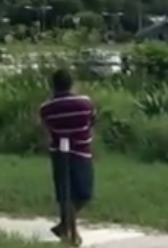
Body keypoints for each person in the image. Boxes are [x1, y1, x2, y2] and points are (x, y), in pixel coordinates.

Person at [39, 69, 95, 245]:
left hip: (58, 152)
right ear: (72, 83)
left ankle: (66, 227)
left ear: (53, 85)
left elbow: (47, 128)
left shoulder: (46, 108)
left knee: (65, 194)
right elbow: (92, 122)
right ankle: (71, 233)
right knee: (84, 193)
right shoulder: (85, 103)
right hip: (81, 151)